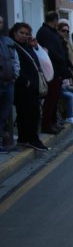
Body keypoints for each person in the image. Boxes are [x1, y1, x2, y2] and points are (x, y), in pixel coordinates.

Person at [9, 23, 47, 151]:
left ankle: (27, 139)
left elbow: (38, 61)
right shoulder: (12, 46)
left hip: (32, 87)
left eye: (27, 33)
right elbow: (14, 66)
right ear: (14, 33)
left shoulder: (27, 46)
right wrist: (25, 81)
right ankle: (30, 139)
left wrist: (35, 46)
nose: (24, 36)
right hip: (23, 87)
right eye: (21, 33)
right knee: (26, 115)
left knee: (32, 114)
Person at [36, 11, 71, 135]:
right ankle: (47, 125)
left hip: (56, 70)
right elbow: (51, 52)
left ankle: (53, 122)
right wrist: (61, 60)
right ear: (55, 21)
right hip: (51, 71)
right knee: (50, 99)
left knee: (55, 99)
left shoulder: (50, 32)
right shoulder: (45, 32)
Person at [0, 16, 19, 152]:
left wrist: (15, 75)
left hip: (8, 83)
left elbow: (15, 60)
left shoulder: (7, 41)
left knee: (5, 114)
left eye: (0, 22)